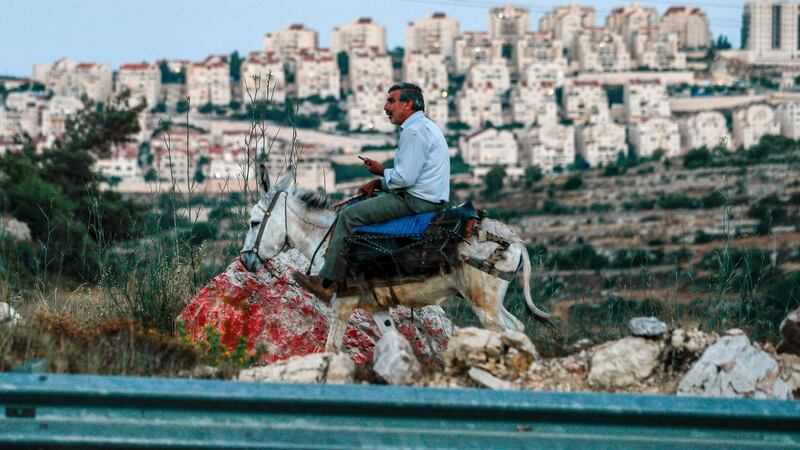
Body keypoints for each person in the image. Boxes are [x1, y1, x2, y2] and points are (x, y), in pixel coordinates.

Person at [293, 82, 451, 301]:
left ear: (408, 104)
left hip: (416, 201)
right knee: (364, 204)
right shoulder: (425, 127)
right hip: (424, 196)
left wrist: (380, 171)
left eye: (391, 101)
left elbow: (405, 178)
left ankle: (327, 282)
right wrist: (379, 184)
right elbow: (412, 174)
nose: (386, 107)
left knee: (349, 216)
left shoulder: (414, 132)